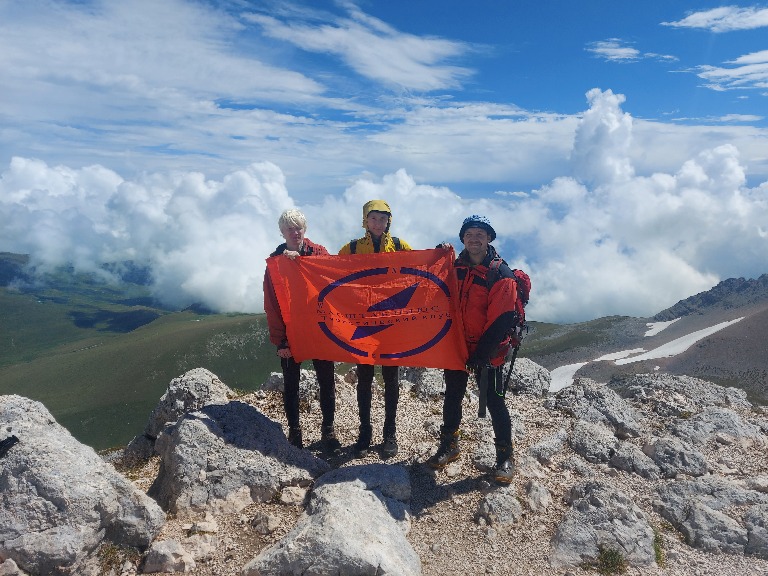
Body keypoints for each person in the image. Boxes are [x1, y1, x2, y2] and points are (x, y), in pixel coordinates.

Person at [426, 215, 529, 484]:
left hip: (488, 351)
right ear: (462, 238)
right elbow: (430, 284)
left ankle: (505, 457)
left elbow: (502, 319)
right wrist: (437, 256)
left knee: (494, 402)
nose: (474, 239)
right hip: (458, 346)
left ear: (489, 239)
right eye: (469, 234)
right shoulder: (454, 267)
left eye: (480, 235)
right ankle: (449, 445)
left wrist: (481, 354)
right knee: (453, 395)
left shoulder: (500, 274)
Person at [339, 199, 413, 457]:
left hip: (392, 325)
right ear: (365, 220)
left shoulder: (401, 247)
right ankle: (365, 431)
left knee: (391, 379)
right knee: (365, 378)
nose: (378, 223)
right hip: (364, 324)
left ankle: (389, 433)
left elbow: (420, 269)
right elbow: (329, 273)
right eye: (373, 218)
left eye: (383, 218)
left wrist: (441, 252)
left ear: (389, 221)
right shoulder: (351, 249)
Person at [263, 209, 340, 453]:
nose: (295, 232)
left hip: (319, 329)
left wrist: (304, 263)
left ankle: (328, 430)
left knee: (326, 382)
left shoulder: (318, 253)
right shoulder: (275, 262)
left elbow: (334, 280)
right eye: (289, 228)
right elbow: (272, 304)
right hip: (291, 332)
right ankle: (295, 432)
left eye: (298, 227)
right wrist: (280, 341)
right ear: (282, 232)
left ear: (304, 229)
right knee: (291, 384)